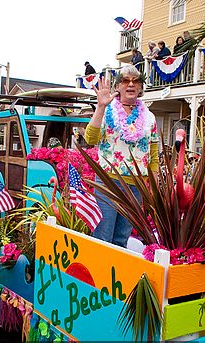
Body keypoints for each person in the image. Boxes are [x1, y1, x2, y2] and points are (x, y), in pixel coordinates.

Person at [85, 65, 159, 247]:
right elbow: (90, 138)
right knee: (103, 237)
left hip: (136, 186)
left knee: (121, 240)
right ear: (118, 86)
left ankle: (115, 275)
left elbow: (154, 155)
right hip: (108, 183)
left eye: (136, 81)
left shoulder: (149, 117)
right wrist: (100, 107)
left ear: (141, 88)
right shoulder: (107, 111)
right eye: (126, 80)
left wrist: (154, 189)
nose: (131, 84)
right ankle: (98, 274)